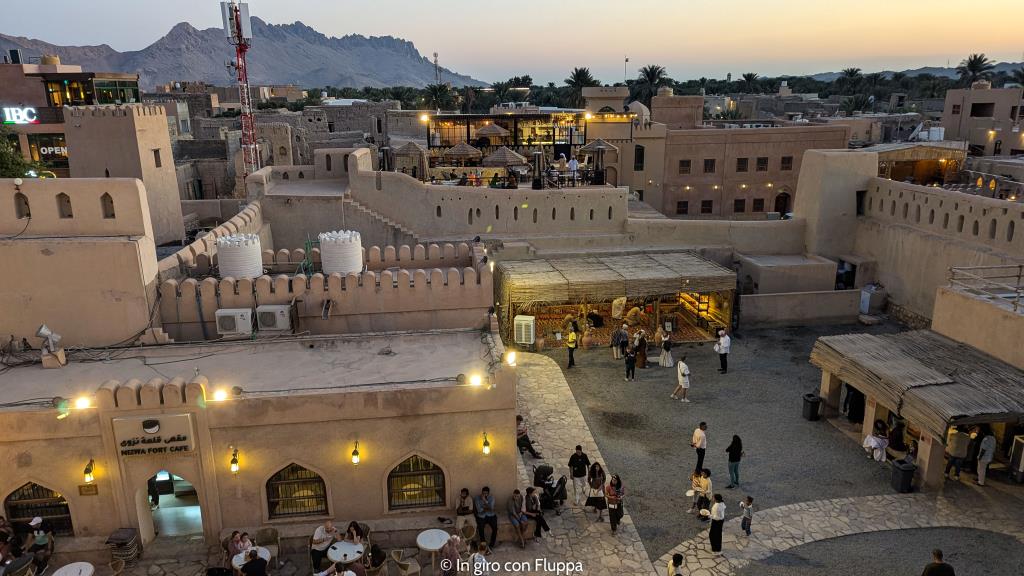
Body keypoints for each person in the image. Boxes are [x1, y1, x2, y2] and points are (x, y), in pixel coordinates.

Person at [475, 486, 498, 552]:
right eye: (483, 493)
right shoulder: (477, 498)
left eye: (486, 493)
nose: (484, 495)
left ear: (488, 493)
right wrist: (488, 507)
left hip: (491, 515)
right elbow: (479, 510)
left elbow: (491, 508)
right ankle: (483, 544)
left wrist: (485, 501)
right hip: (481, 516)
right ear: (481, 492)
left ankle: (491, 545)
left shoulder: (492, 498)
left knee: (495, 528)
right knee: (481, 528)